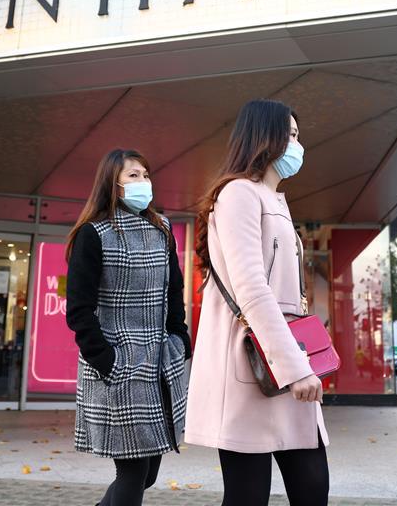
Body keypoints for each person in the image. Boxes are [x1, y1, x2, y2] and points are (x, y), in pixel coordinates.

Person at [185, 99, 329, 506]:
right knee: (249, 495)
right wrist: (295, 368)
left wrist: (296, 365)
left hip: (283, 362)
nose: (299, 146)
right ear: (267, 136)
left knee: (313, 486)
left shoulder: (276, 201)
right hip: (253, 367)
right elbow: (252, 288)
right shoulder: (238, 195)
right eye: (292, 135)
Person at [66, 148, 191, 506]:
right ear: (113, 184)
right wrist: (108, 361)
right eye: (133, 176)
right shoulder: (94, 234)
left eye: (145, 175)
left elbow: (174, 289)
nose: (143, 182)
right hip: (118, 366)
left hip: (159, 365)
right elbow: (79, 310)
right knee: (133, 472)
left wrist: (180, 338)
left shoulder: (162, 228)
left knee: (148, 472)